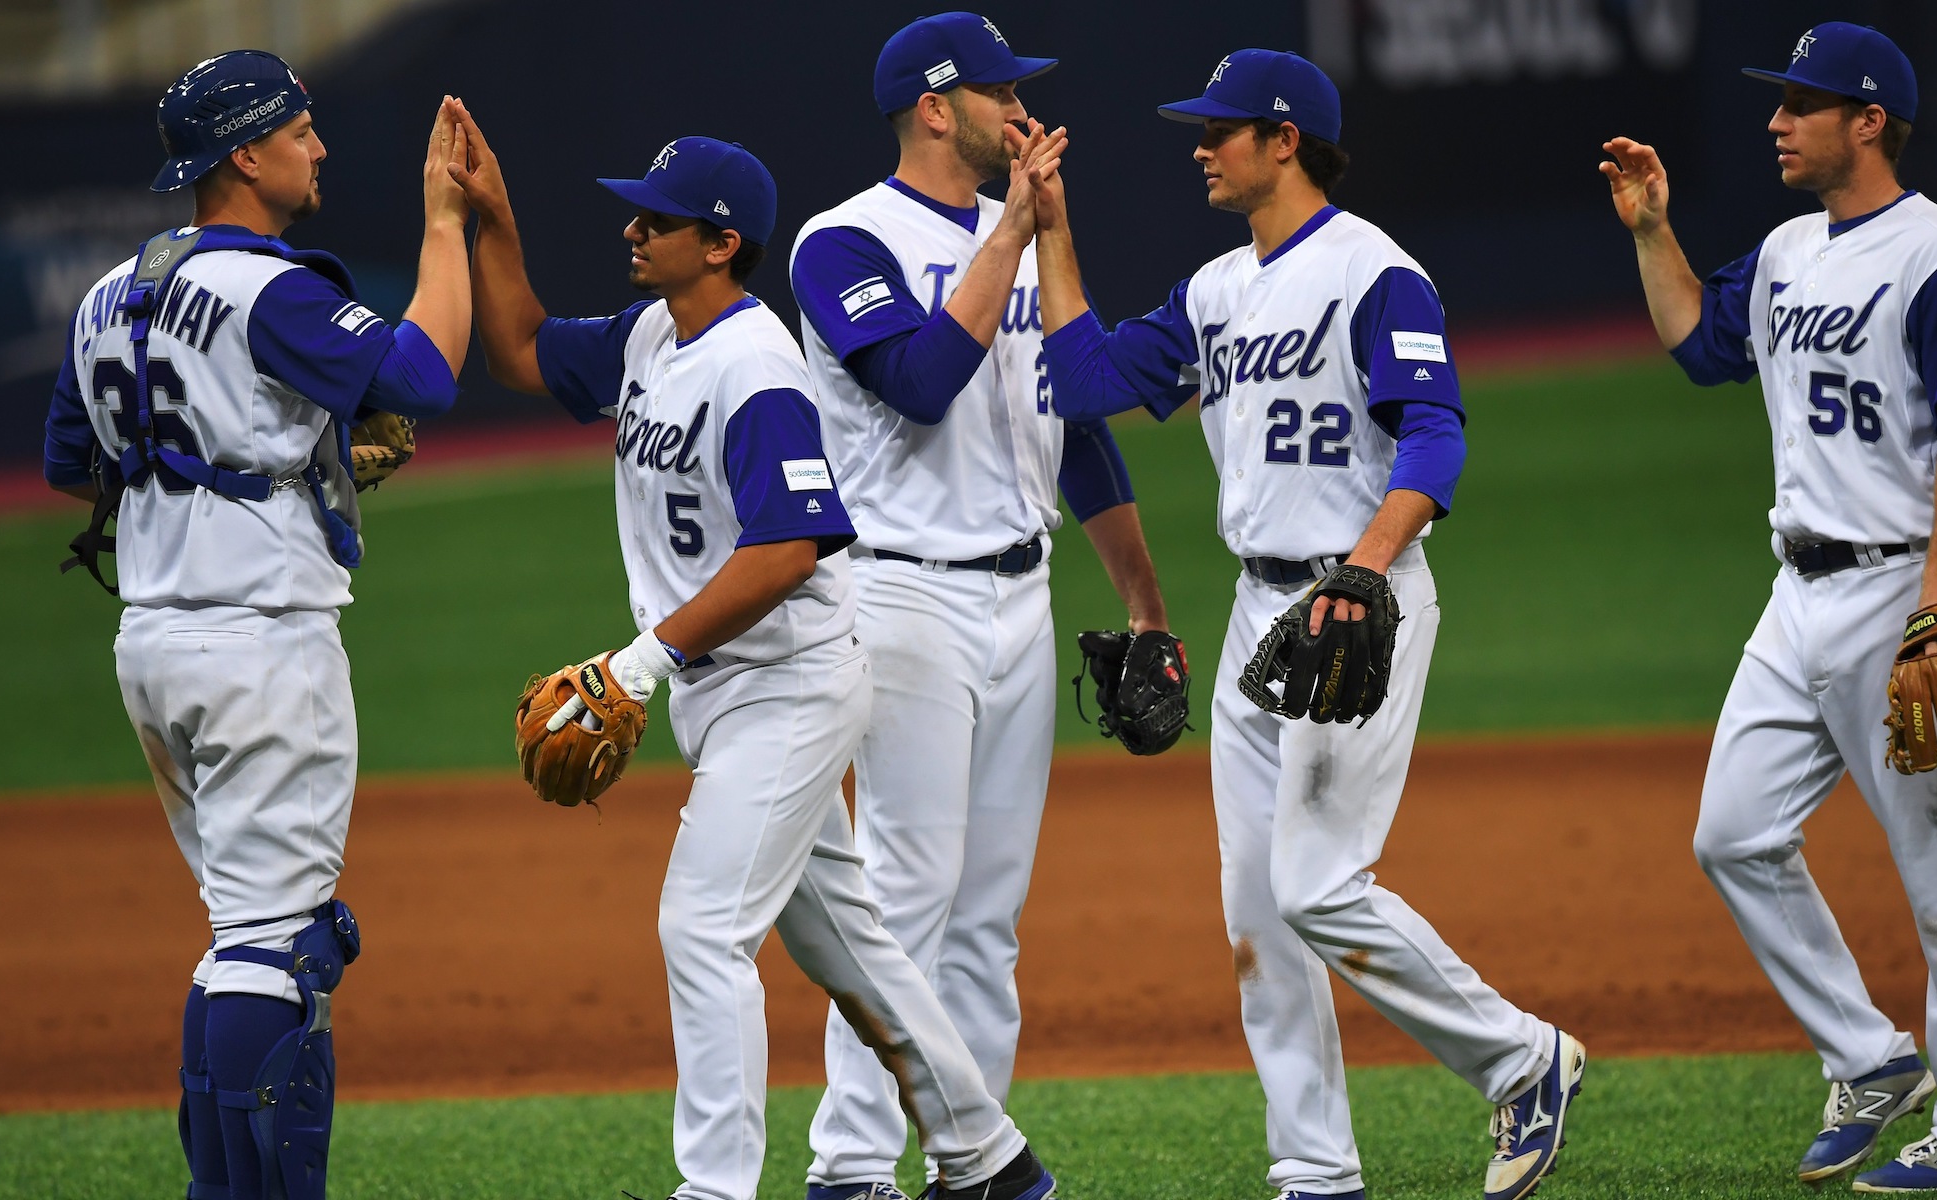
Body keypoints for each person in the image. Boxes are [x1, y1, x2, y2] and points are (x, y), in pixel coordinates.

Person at [446, 102, 1059, 1200]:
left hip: (791, 684)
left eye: (658, 221)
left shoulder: (757, 367)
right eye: (635, 217)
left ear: (722, 242)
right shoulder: (649, 338)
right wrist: (490, 215)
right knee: (849, 944)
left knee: (703, 927)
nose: (633, 233)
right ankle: (990, 1160)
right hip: (724, 688)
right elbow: (522, 350)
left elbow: (789, 549)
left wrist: (637, 663)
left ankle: (716, 1188)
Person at [1026, 49, 1585, 1200]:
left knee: (1319, 885)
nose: (1200, 144)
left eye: (1221, 128)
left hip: (1356, 604)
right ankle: (1315, 1170)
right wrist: (1051, 225)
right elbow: (1087, 381)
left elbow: (1435, 433)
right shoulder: (1216, 290)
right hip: (1254, 614)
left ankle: (1523, 1060)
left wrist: (1365, 572)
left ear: (1285, 140)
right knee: (1255, 914)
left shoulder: (1376, 272)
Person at [1601, 22, 1937, 1192]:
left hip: (1905, 585)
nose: (1779, 122)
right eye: (1780, 103)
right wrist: (1654, 231)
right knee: (1732, 833)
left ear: (1871, 121)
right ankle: (1869, 1055)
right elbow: (1700, 344)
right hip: (1796, 596)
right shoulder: (1791, 251)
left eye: (1804, 104)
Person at [41, 51, 469, 1200]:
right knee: (286, 943)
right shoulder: (264, 288)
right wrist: (444, 221)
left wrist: (250, 463)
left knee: (243, 937)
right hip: (259, 642)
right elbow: (422, 375)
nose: (318, 147)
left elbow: (69, 460)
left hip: (155, 646)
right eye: (301, 129)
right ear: (246, 151)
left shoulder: (103, 295)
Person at [785, 14, 1171, 1198]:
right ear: (935, 108)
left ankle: (973, 1161)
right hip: (902, 597)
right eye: (1002, 94)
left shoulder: (1027, 236)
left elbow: (1079, 424)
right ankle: (848, 1168)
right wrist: (1017, 231)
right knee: (902, 898)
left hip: (1023, 596)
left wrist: (1144, 603)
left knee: (990, 918)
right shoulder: (841, 241)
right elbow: (914, 384)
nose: (1024, 112)